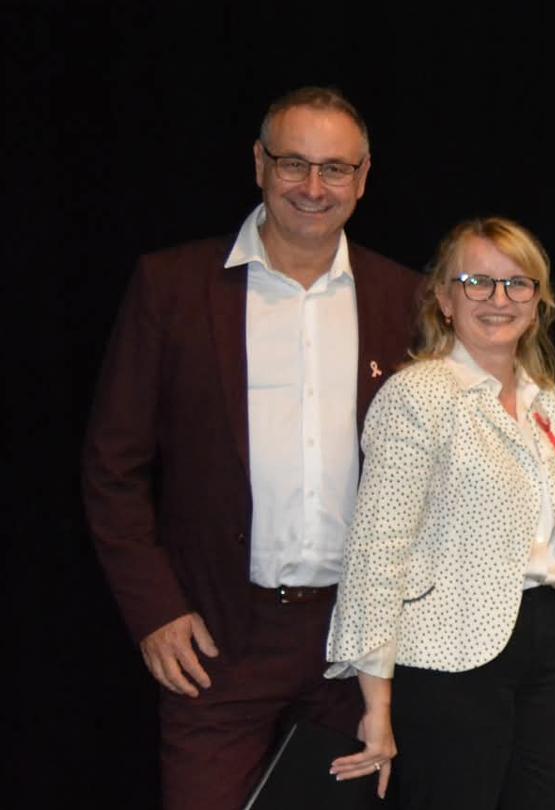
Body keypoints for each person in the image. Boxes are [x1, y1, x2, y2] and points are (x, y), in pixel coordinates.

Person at [80, 86, 417, 810]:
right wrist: (155, 611)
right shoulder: (171, 287)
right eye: (294, 163)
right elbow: (113, 467)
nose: (314, 187)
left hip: (352, 648)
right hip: (219, 641)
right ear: (258, 164)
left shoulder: (404, 299)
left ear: (363, 179)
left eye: (336, 168)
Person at [325, 217, 555, 809]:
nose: (499, 300)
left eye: (518, 283)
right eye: (477, 282)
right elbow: (375, 552)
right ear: (444, 299)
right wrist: (377, 706)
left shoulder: (546, 396)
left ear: (539, 301)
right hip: (450, 654)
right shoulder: (418, 394)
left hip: (549, 643)